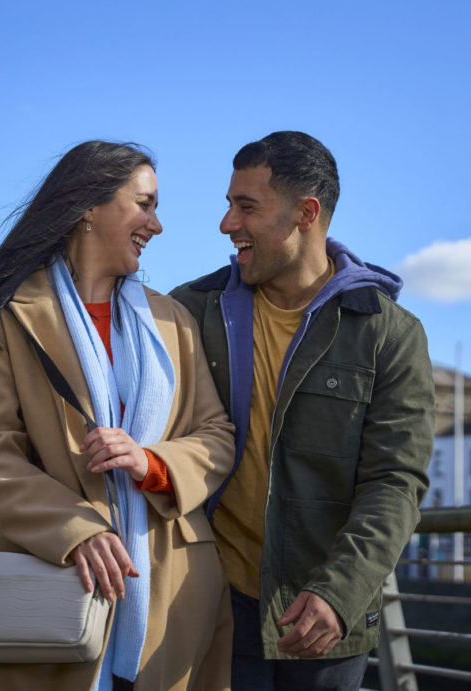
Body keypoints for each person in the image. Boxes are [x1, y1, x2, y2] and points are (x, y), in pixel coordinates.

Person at [0, 140, 236, 691]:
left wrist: (151, 462)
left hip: (176, 595)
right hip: (56, 579)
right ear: (88, 207)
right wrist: (75, 529)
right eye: (145, 204)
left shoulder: (173, 320)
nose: (156, 225)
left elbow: (216, 436)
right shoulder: (2, 320)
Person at [171, 131, 435, 691]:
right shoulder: (189, 312)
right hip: (210, 605)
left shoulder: (391, 334)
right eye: (228, 204)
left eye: (246, 207)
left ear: (306, 214)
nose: (227, 223)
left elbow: (395, 480)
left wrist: (339, 593)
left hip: (325, 621)